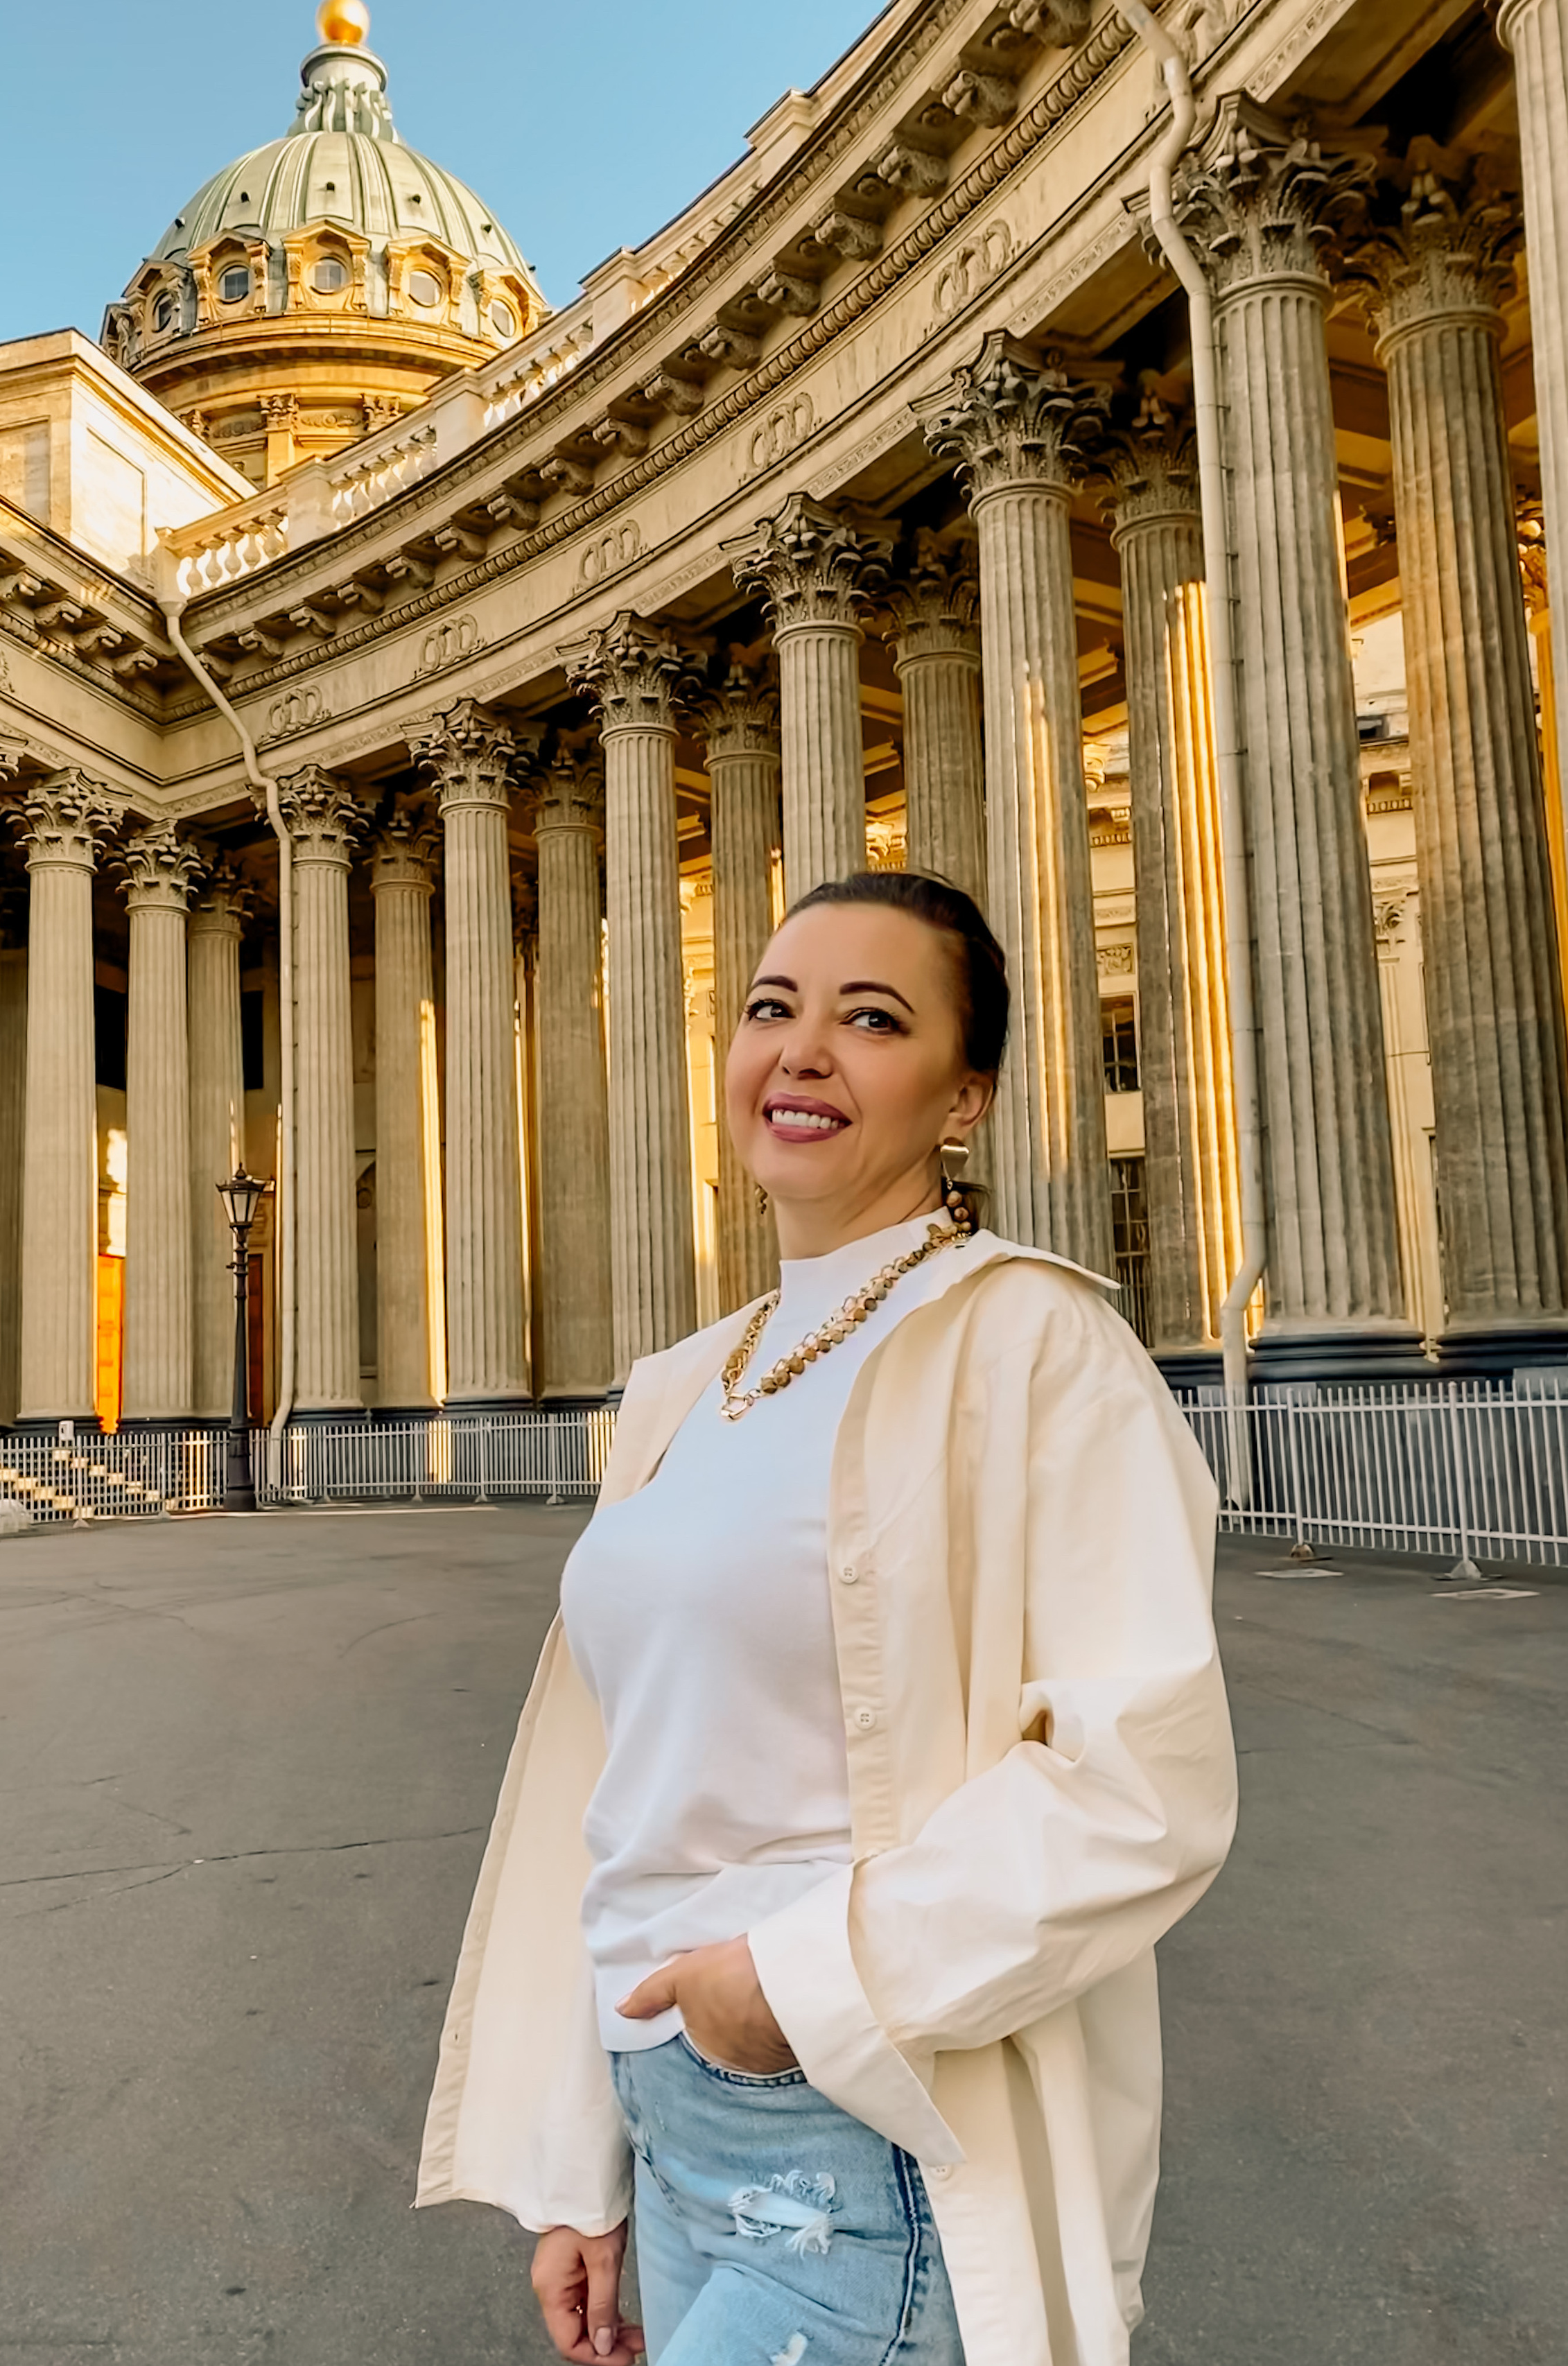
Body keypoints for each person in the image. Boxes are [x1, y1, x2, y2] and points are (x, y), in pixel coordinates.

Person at [418, 870, 1238, 2365]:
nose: (798, 1052)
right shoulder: (682, 1383)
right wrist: (578, 2168)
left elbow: (1139, 1786)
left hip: (855, 2117)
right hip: (665, 2101)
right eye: (768, 1009)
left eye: (870, 1018)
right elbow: (622, 1796)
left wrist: (787, 1990)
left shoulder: (1034, 1341)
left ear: (963, 1095)